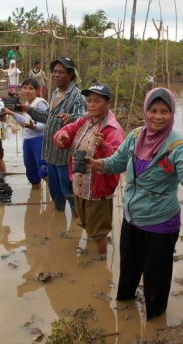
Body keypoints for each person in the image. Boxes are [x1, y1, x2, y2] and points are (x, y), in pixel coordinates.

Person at [85, 87, 183, 319]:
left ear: (172, 114)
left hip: (160, 223)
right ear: (146, 111)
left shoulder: (178, 146)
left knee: (156, 279)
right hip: (131, 219)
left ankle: (155, 323)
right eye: (153, 110)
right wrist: (96, 163)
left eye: (165, 111)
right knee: (128, 272)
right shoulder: (134, 136)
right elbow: (116, 162)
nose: (158, 116)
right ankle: (124, 312)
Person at [53, 82, 123, 255]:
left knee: (98, 229)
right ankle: (92, 245)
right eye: (89, 100)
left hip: (97, 189)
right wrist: (61, 137)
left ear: (108, 103)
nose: (91, 104)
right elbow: (66, 131)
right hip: (80, 185)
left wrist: (104, 147)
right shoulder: (84, 120)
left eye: (96, 101)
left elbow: (118, 159)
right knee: (86, 222)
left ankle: (100, 260)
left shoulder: (113, 129)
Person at [21, 57, 87, 215]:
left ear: (70, 75)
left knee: (70, 194)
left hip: (65, 156)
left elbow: (84, 119)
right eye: (55, 72)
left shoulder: (77, 96)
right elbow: (48, 118)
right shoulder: (56, 92)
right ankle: (57, 224)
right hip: (51, 153)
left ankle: (74, 231)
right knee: (56, 194)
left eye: (61, 72)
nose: (56, 75)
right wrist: (27, 109)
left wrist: (70, 118)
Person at [3, 78, 48, 188]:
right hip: (28, 140)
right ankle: (36, 196)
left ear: (37, 91)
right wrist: (11, 113)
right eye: (25, 88)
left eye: (31, 88)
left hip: (39, 140)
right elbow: (25, 122)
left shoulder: (40, 104)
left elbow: (47, 123)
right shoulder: (27, 104)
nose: (27, 91)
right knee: (31, 171)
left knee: (44, 171)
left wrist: (34, 127)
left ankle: (54, 201)